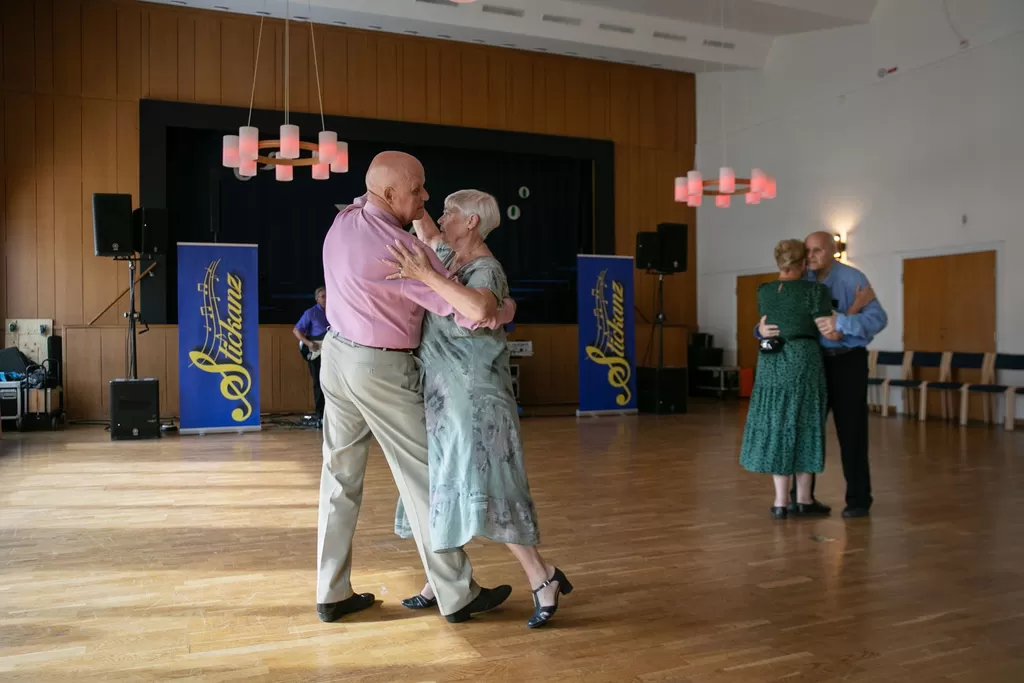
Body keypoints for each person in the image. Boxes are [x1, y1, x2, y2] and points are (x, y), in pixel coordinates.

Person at [315, 151, 517, 624]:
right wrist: (505, 309)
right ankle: (458, 593)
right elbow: (473, 312)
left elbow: (406, 216)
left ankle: (330, 591)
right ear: (388, 194)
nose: (426, 199)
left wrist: (414, 213)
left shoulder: (344, 221)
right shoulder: (406, 255)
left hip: (336, 357)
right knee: (425, 479)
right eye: (418, 190)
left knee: (338, 481)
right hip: (379, 369)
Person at [384, 190, 572, 629]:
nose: (443, 218)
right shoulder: (451, 255)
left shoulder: (485, 267)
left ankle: (543, 577)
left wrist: (421, 274)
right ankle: (443, 580)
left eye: (451, 211)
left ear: (471, 222)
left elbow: (481, 307)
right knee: (439, 486)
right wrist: (416, 201)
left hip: (475, 398)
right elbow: (427, 231)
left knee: (491, 488)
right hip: (445, 397)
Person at [756, 231, 888, 518]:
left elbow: (879, 319)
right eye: (808, 251)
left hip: (847, 362)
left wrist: (842, 321)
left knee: (852, 432)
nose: (811, 256)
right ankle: (802, 499)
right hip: (811, 365)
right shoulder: (800, 281)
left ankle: (858, 500)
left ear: (833, 251)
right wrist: (760, 330)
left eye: (817, 251)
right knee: (805, 428)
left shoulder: (853, 279)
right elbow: (774, 320)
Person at [740, 239, 834, 519]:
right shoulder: (815, 291)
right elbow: (827, 329)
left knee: (776, 423)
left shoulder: (765, 290)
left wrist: (759, 329)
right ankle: (804, 499)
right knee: (805, 423)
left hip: (770, 360)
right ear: (804, 262)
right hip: (801, 358)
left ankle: (781, 501)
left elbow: (766, 322)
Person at [293, 286, 328, 426]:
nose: (326, 299)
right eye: (323, 296)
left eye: (328, 295)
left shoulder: (336, 311)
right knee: (318, 383)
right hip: (316, 352)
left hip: (332, 352)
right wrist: (308, 343)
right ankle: (320, 414)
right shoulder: (311, 313)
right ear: (317, 299)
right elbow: (296, 330)